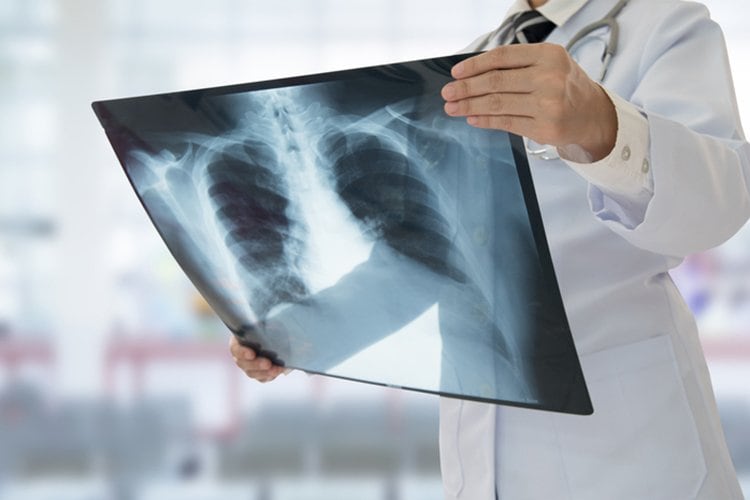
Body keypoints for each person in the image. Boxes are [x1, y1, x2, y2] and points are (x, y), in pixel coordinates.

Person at [230, 0, 750, 497]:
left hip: (626, 440)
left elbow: (717, 207)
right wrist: (301, 331)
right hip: (480, 445)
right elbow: (429, 259)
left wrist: (603, 126)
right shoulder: (472, 62)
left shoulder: (665, 29)